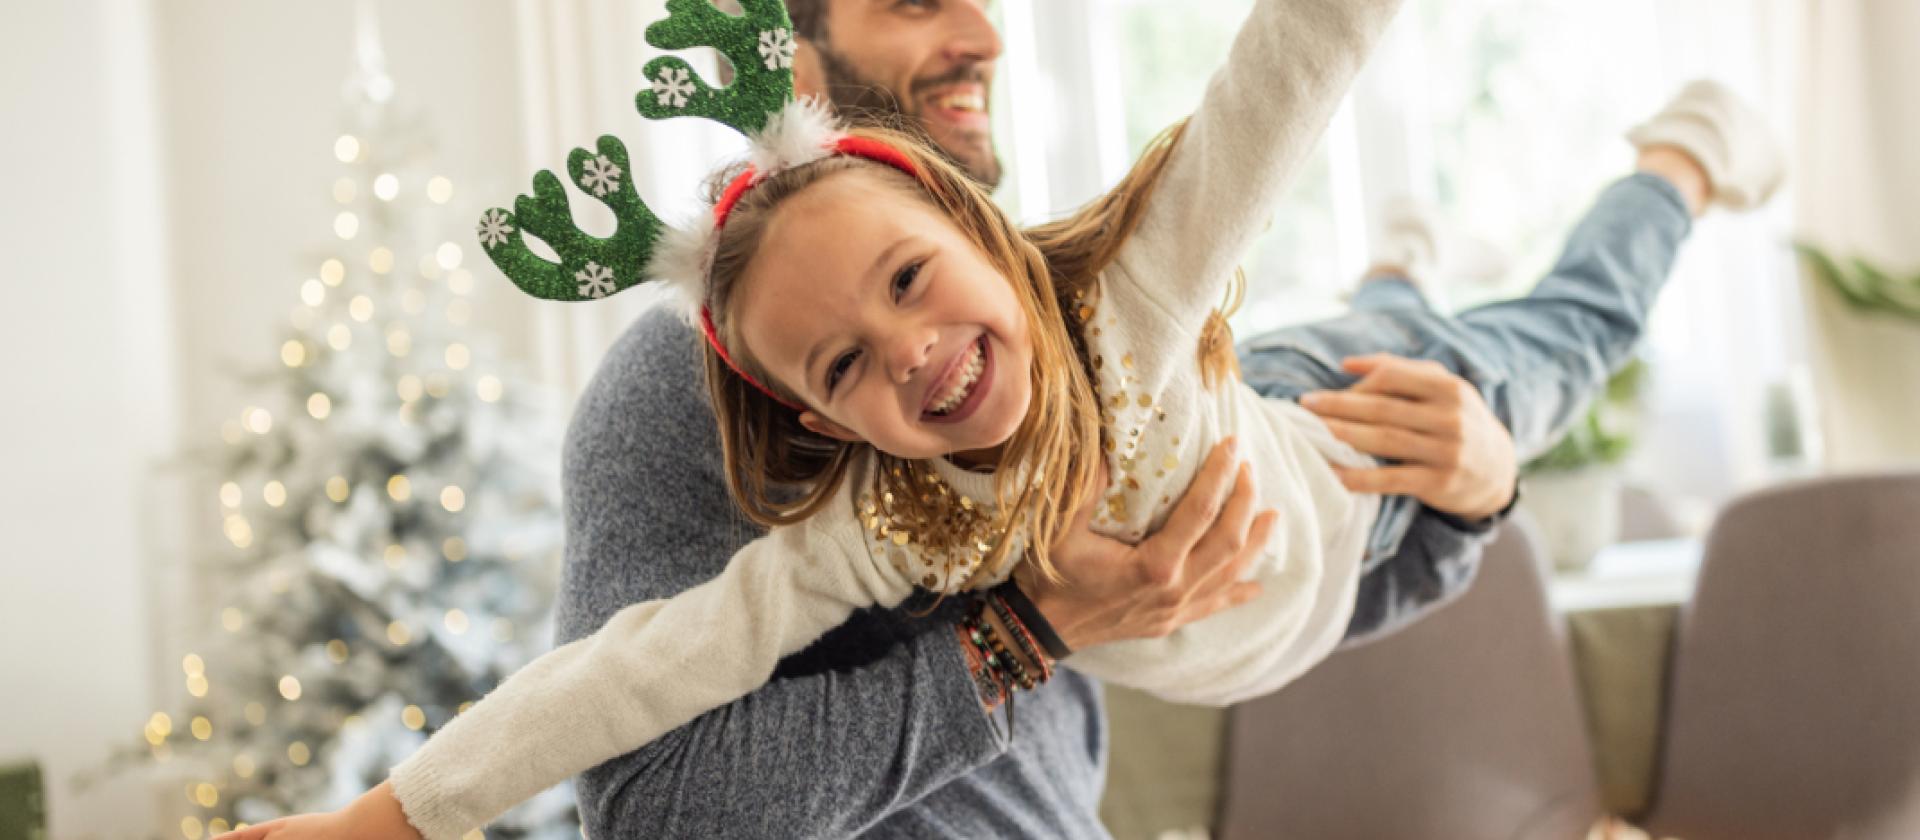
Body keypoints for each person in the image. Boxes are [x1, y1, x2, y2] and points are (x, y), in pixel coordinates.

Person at [220, 0, 1784, 828]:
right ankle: (1400, 268)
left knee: (1558, 341)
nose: (907, 352)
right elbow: (622, 701)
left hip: (1331, 444)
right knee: (1436, 335)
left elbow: (1297, 58)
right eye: (839, 368)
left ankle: (1681, 161)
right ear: (812, 425)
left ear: (978, 232)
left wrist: (1480, 494)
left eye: (911, 279)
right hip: (1287, 529)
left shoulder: (1127, 298)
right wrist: (391, 821)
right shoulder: (876, 525)